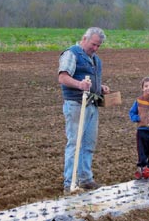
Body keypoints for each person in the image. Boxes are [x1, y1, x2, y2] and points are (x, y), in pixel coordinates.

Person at [58, 27, 110, 194]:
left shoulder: (95, 59)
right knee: (74, 143)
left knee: (88, 144)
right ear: (84, 39)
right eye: (93, 44)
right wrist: (79, 85)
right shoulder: (71, 54)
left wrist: (99, 87)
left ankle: (86, 178)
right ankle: (69, 182)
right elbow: (63, 77)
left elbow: (91, 79)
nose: (95, 48)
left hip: (92, 104)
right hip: (75, 104)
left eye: (98, 46)